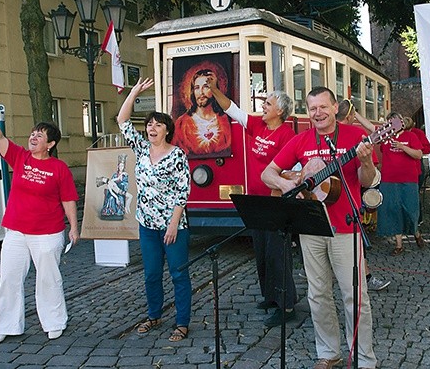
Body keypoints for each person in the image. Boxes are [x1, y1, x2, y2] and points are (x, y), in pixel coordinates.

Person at [262, 87, 378, 369]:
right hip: (310, 226)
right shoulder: (301, 141)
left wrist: (364, 160)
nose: (318, 113)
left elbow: (367, 179)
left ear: (335, 107)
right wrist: (287, 184)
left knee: (354, 295)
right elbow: (267, 173)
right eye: (312, 108)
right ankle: (328, 354)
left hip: (345, 227)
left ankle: (364, 360)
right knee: (318, 294)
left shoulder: (354, 138)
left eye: (323, 107)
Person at [0, 89, 79, 344]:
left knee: (48, 279)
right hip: (16, 232)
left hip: (47, 233)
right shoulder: (20, 157)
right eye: (33, 133)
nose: (33, 136)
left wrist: (74, 228)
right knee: (9, 277)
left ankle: (54, 322)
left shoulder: (59, 168)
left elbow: (68, 199)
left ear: (50, 144)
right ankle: (7, 325)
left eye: (39, 135)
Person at [206, 73, 298, 327]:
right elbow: (232, 109)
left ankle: (287, 305)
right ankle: (270, 296)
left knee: (278, 255)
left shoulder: (287, 135)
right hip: (255, 200)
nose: (263, 106)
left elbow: (290, 169)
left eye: (268, 103)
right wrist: (214, 90)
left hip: (275, 201)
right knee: (262, 252)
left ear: (280, 110)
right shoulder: (258, 125)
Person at [117, 78, 192, 342]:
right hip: (147, 224)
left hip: (173, 226)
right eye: (149, 124)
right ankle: (153, 315)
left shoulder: (177, 155)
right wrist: (134, 92)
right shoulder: (141, 149)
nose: (151, 127)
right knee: (151, 274)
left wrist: (173, 224)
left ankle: (182, 322)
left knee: (178, 273)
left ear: (167, 130)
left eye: (157, 124)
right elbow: (122, 120)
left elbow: (183, 192)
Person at [336, 99, 391, 292]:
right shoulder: (355, 135)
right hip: (347, 202)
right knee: (356, 237)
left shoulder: (350, 136)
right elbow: (370, 176)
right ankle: (365, 277)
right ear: (350, 116)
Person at [376, 112, 424, 255]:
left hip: (408, 179)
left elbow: (418, 154)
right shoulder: (385, 138)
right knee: (393, 210)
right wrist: (355, 116)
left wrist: (402, 147)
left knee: (410, 209)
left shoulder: (411, 136)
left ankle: (416, 232)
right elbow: (372, 130)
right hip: (389, 180)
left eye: (394, 122)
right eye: (389, 122)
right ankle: (399, 244)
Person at [173, 68, 232, 157]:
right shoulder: (182, 123)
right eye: (197, 88)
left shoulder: (225, 120)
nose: (201, 92)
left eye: (206, 87)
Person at [98, 154, 133, 220]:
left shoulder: (125, 175)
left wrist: (122, 181)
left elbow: (124, 182)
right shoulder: (113, 178)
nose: (121, 167)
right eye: (120, 166)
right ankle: (110, 212)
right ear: (118, 167)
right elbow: (112, 187)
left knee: (126, 197)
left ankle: (126, 207)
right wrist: (116, 197)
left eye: (122, 166)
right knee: (111, 198)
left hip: (121, 190)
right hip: (115, 193)